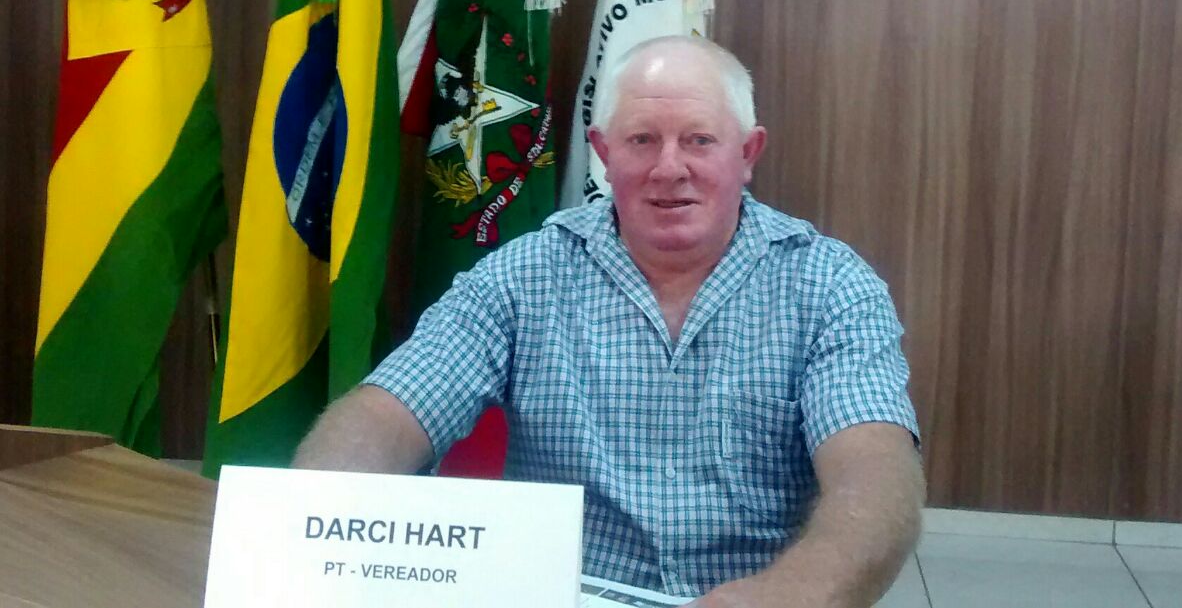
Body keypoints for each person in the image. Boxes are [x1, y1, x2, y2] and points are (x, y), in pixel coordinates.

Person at [295, 35, 924, 607]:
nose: (669, 168)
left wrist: (791, 595)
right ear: (603, 153)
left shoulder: (830, 285)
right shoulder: (527, 273)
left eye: (699, 140)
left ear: (747, 152)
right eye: (642, 140)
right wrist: (310, 524)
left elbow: (875, 475)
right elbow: (391, 409)